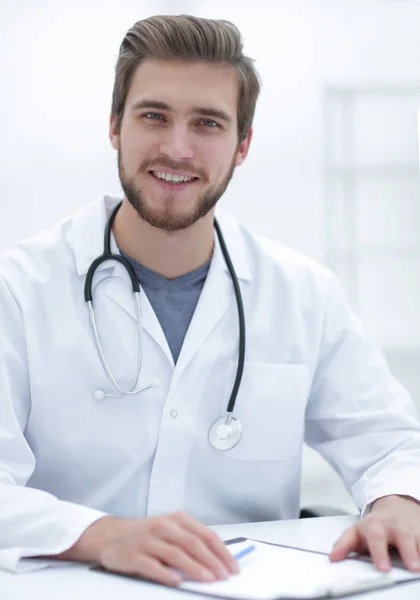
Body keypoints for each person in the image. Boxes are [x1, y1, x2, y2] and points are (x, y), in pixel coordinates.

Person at [1, 13, 420, 587]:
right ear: (114, 127)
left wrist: (400, 500)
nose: (178, 148)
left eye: (207, 123)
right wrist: (101, 535)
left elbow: (389, 441)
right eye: (154, 116)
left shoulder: (302, 294)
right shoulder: (19, 289)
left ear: (242, 144)